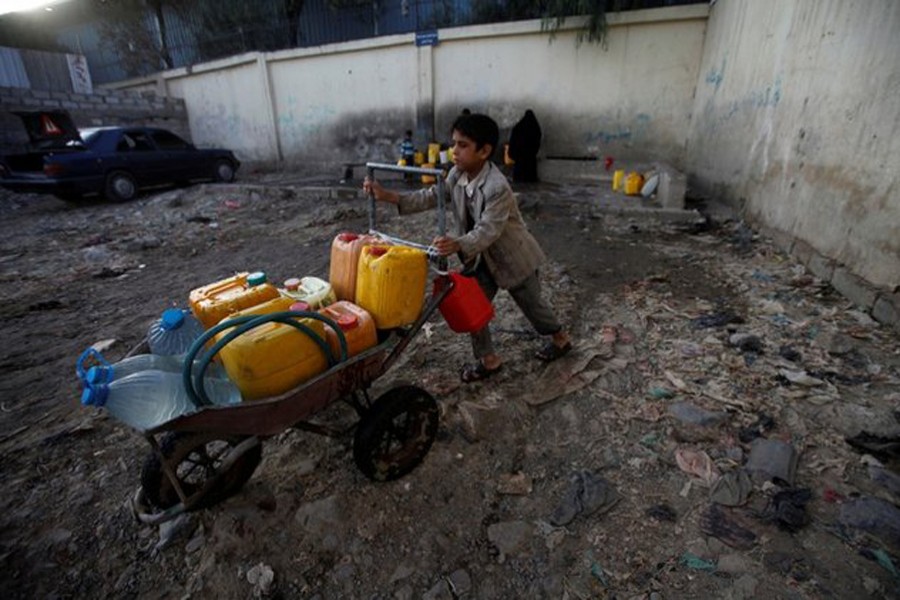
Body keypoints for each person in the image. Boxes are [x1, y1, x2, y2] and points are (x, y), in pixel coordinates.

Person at [364, 113, 571, 383]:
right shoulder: (456, 174)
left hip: (512, 256)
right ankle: (489, 360)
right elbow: (432, 197)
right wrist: (389, 196)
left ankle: (560, 339)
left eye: (463, 145)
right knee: (475, 308)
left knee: (533, 306)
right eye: (453, 144)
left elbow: (488, 231)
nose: (454, 151)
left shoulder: (497, 187)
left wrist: (456, 244)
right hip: (480, 258)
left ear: (484, 151)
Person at [507, 109, 542, 182]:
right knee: (530, 173)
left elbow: (513, 140)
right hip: (530, 157)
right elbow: (537, 141)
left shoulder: (518, 128)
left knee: (519, 173)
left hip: (519, 156)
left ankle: (519, 180)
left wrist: (512, 152)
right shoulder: (535, 128)